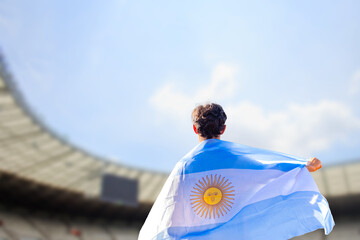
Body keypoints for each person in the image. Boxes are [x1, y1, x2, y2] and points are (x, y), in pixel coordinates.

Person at [139, 103, 334, 240]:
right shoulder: (238, 161)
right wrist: (302, 165)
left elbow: (169, 216)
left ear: (194, 129)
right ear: (223, 128)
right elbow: (270, 170)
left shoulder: (183, 167)